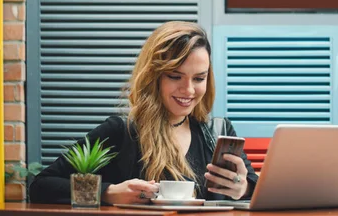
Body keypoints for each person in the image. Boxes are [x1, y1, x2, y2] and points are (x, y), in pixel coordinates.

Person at [29, 21, 259, 205]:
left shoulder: (218, 132)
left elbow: (258, 191)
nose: (188, 90)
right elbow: (41, 185)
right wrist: (108, 192)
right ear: (154, 77)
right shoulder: (122, 131)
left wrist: (245, 188)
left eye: (199, 78)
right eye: (175, 76)